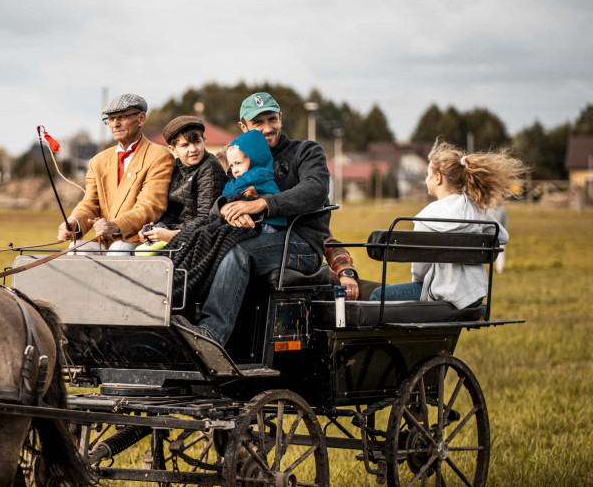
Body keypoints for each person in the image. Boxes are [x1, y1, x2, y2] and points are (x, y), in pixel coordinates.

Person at [181, 92, 331, 346]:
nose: (267, 128)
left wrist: (261, 204)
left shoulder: (305, 151)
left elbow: (315, 190)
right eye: (258, 123)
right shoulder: (240, 155)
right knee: (197, 248)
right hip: (255, 237)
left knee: (236, 253)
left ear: (280, 118)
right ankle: (181, 321)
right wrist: (232, 211)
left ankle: (211, 337)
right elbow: (225, 196)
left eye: (272, 119)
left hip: (301, 243)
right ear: (244, 126)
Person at [369, 140, 525, 307]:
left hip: (443, 294)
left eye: (428, 174)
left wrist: (418, 285)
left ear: (438, 178)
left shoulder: (427, 216)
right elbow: (502, 236)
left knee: (378, 295)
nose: (426, 178)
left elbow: (420, 270)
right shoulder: (476, 208)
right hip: (475, 294)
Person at [57, 93, 174, 254]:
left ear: (141, 119)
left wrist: (115, 225)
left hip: (137, 241)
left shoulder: (160, 156)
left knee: (119, 248)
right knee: (75, 249)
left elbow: (150, 206)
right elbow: (90, 203)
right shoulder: (97, 161)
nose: (115, 124)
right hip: (104, 243)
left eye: (122, 117)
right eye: (111, 119)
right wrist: (74, 222)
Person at [136, 115, 226, 253]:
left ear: (204, 140)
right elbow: (172, 210)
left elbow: (206, 218)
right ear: (172, 149)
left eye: (197, 142)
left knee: (145, 256)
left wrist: (171, 233)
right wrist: (155, 228)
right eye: (185, 145)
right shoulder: (174, 167)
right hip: (180, 230)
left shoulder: (210, 168)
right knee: (138, 252)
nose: (193, 149)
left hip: (199, 237)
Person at [220, 129, 285, 231]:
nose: (235, 170)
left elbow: (230, 193)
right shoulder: (236, 181)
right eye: (231, 166)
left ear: (254, 160)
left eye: (238, 163)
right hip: (248, 223)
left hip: (265, 224)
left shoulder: (259, 176)